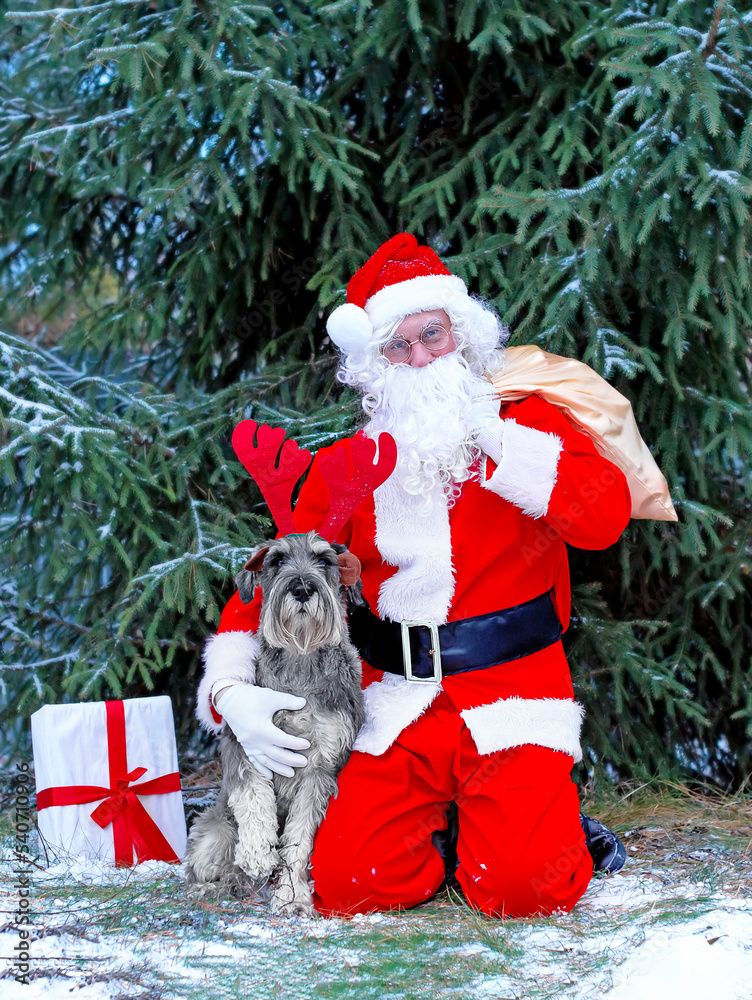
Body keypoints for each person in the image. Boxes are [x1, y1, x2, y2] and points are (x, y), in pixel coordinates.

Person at [196, 233, 632, 918]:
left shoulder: (529, 427)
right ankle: (454, 832)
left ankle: (533, 827)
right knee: (347, 888)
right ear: (375, 366)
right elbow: (286, 571)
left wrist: (493, 440)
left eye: (433, 335)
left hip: (512, 693)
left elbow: (603, 517)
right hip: (395, 701)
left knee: (526, 892)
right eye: (399, 346)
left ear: (462, 334)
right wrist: (229, 687)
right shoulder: (352, 467)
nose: (421, 356)